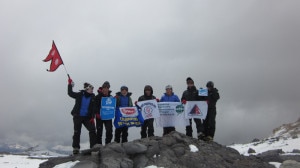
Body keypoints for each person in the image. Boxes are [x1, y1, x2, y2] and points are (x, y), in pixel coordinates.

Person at [67, 78, 96, 155]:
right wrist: (70, 85)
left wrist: (93, 117)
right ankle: (76, 148)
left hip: (87, 118)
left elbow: (94, 108)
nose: (92, 90)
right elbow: (70, 93)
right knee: (77, 132)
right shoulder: (79, 95)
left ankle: (93, 148)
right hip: (78, 116)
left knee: (92, 130)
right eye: (91, 88)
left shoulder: (93, 97)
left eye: (92, 88)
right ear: (87, 89)